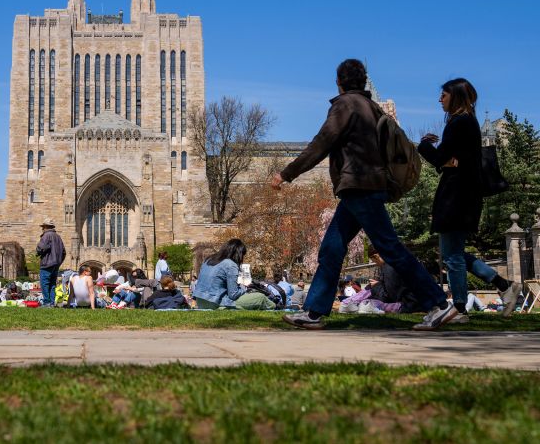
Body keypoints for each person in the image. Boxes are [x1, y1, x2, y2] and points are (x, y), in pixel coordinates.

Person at [272, 59, 453, 330]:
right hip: (363, 187)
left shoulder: (345, 105)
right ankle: (314, 312)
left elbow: (321, 143)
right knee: (331, 250)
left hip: (360, 186)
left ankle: (439, 304)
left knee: (390, 248)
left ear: (339, 81)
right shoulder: (372, 108)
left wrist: (286, 174)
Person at [418, 78, 522, 319]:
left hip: (455, 198)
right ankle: (505, 286)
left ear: (454, 97)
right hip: (465, 197)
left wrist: (423, 145)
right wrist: (447, 160)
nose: (439, 100)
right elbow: (447, 160)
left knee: (452, 256)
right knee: (453, 252)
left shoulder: (458, 123)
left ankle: (460, 308)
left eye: (443, 95)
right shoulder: (468, 122)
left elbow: (438, 158)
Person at [192, 239, 249, 309]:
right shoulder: (231, 265)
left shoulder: (209, 260)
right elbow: (233, 294)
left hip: (200, 302)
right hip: (214, 302)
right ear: (238, 253)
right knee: (260, 298)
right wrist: (244, 288)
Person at [35, 218, 66, 308]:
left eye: (43, 227)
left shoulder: (46, 236)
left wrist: (38, 251)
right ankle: (52, 303)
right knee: (52, 284)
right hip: (55, 265)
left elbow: (41, 248)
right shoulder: (58, 237)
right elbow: (64, 252)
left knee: (45, 283)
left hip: (47, 264)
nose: (42, 229)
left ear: (46, 227)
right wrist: (59, 262)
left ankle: (47, 303)